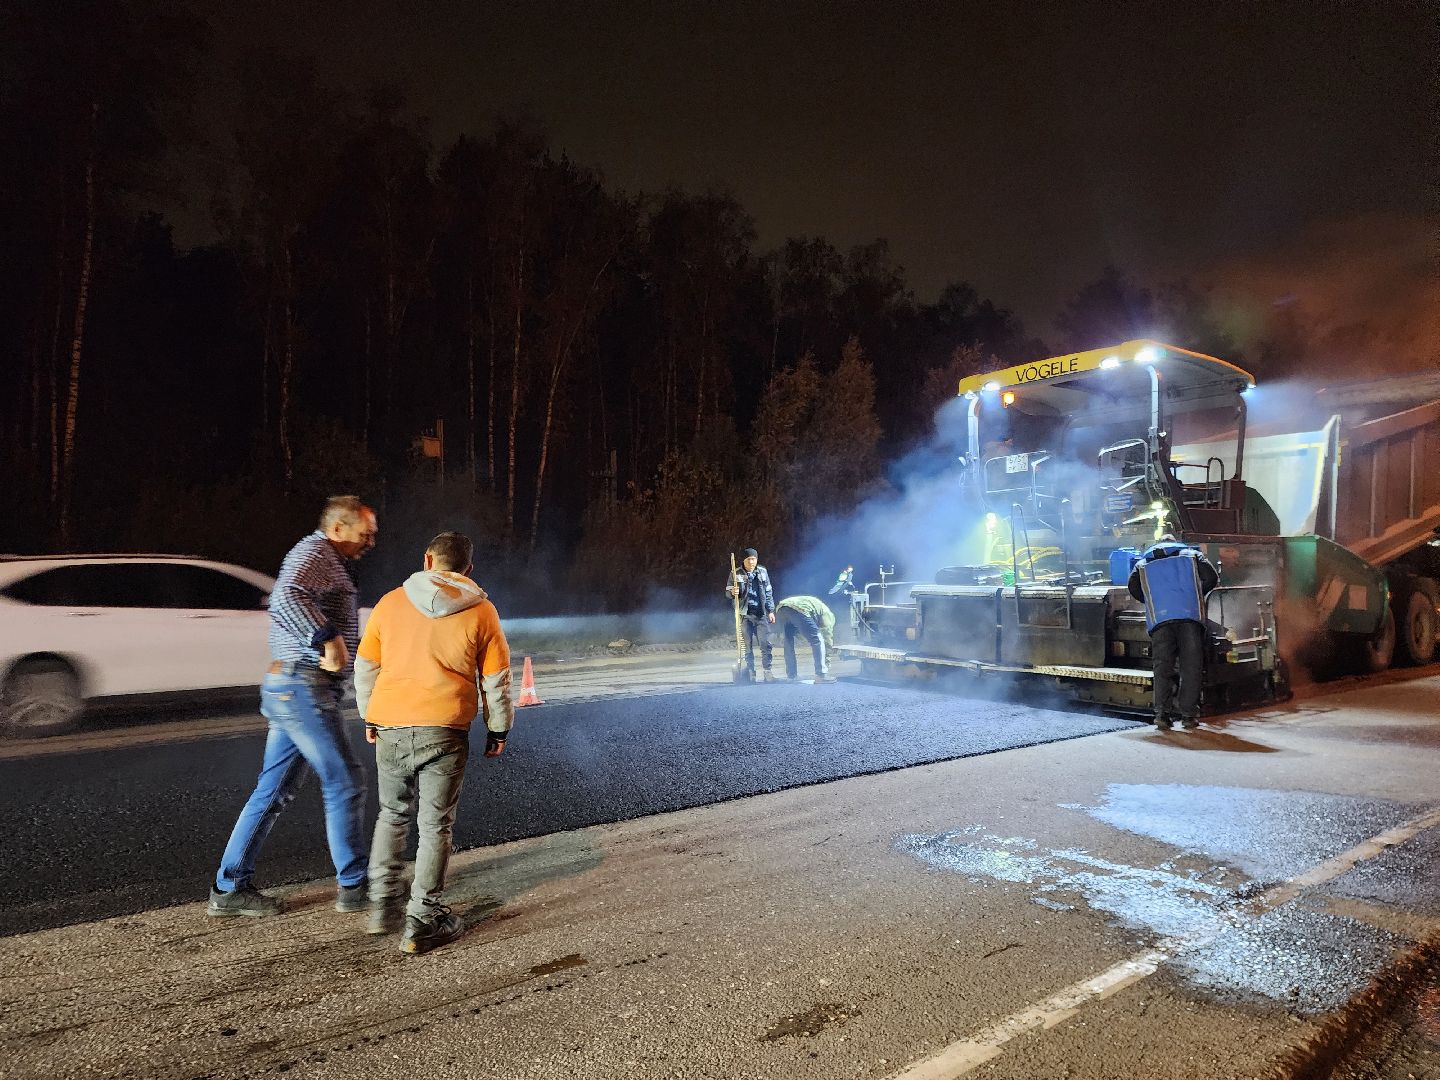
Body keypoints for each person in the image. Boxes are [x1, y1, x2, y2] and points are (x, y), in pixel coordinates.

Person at [209, 495, 378, 918]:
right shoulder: (315, 550)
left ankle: (229, 888)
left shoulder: (326, 558)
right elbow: (284, 597)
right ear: (338, 527)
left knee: (275, 790)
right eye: (366, 533)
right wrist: (327, 636)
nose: (371, 541)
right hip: (303, 687)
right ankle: (355, 885)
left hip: (293, 686)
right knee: (345, 779)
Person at [354, 531, 514, 955]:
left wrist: (370, 715)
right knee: (434, 826)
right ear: (468, 569)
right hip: (444, 730)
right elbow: (496, 681)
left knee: (391, 815)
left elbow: (366, 667)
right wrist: (498, 729)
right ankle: (423, 919)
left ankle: (380, 906)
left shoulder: (389, 604)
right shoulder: (482, 612)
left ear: (428, 560)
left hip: (390, 724)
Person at [1127, 535, 1219, 731]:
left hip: (1160, 621)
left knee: (1163, 668)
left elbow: (1133, 586)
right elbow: (1212, 577)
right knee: (1191, 667)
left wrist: (1155, 600)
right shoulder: (1193, 556)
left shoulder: (1143, 564)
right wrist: (1195, 595)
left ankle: (1162, 715)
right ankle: (1188, 716)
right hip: (1189, 618)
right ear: (1175, 542)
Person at [725, 547, 776, 681]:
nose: (752, 562)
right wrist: (732, 592)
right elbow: (727, 592)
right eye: (749, 559)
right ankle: (750, 673)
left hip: (761, 614)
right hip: (744, 614)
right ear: (744, 560)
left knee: (765, 643)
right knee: (747, 646)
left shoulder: (763, 572)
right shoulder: (735, 574)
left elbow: (769, 592)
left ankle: (767, 672)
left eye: (754, 559)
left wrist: (770, 610)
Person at [775, 595, 836, 682]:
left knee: (788, 641)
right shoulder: (827, 616)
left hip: (782, 608)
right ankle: (821, 674)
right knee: (817, 639)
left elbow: (803, 630)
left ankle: (791, 676)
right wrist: (827, 659)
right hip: (798, 609)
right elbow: (827, 638)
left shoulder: (818, 607)